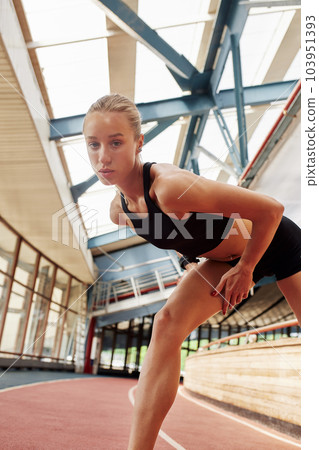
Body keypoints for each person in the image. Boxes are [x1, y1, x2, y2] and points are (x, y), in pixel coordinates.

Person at [83, 93, 301, 450]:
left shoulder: (170, 188)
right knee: (166, 324)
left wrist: (247, 268)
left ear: (139, 143)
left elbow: (271, 210)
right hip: (222, 262)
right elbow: (183, 237)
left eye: (116, 143)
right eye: (93, 145)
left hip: (278, 244)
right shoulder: (118, 211)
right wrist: (191, 264)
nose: (103, 157)